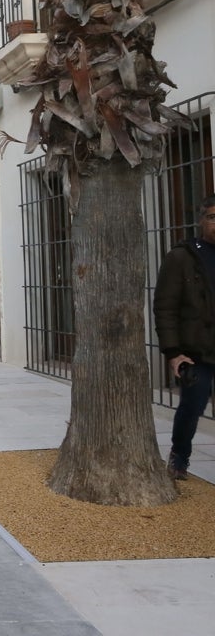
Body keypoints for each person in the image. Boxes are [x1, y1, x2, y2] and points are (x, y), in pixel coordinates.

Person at [154, 194, 215, 481]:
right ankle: (180, 456)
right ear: (201, 220)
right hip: (196, 351)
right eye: (213, 217)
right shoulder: (181, 256)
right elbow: (165, 307)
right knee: (191, 409)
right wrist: (173, 352)